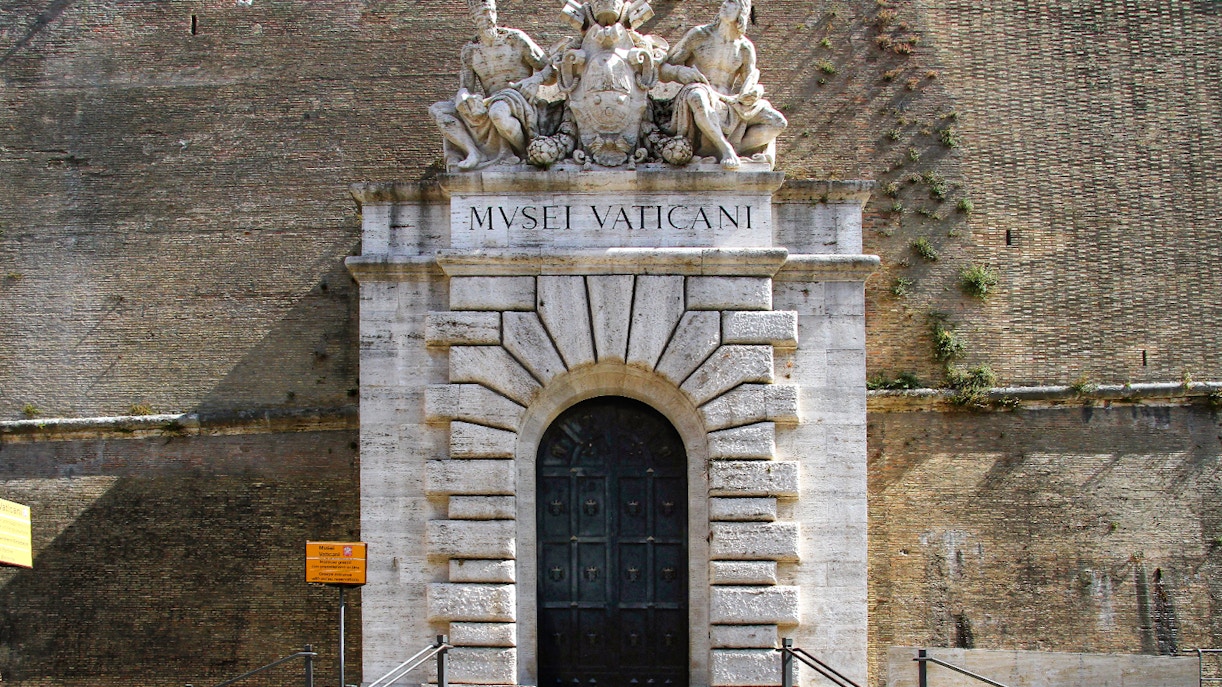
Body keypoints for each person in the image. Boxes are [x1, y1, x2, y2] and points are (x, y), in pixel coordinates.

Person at [662, 0, 787, 168]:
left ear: (742, 12)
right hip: (698, 89)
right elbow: (663, 69)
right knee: (697, 96)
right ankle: (725, 149)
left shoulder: (745, 48)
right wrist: (679, 72)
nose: (724, 6)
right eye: (725, 2)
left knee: (778, 123)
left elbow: (751, 80)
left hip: (729, 101)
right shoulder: (699, 35)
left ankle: (725, 150)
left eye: (732, 3)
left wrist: (756, 91)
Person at [429, 0, 549, 170]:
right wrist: (464, 98)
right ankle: (473, 152)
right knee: (438, 110)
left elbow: (552, 69)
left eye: (488, 12)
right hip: (488, 101)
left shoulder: (515, 39)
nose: (486, 18)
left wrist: (535, 80)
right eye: (480, 14)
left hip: (516, 97)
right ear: (473, 19)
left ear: (495, 13)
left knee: (498, 113)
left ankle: (524, 152)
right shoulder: (470, 51)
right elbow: (466, 87)